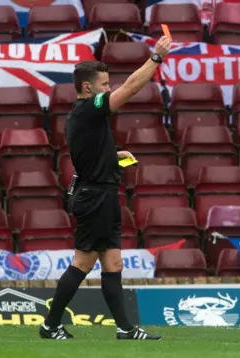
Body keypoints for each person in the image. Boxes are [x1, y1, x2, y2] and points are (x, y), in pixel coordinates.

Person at [39, 36, 172, 340]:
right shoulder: (88, 109)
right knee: (83, 262)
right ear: (88, 88)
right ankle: (50, 325)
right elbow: (129, 89)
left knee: (113, 263)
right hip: (94, 196)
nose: (109, 88)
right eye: (104, 84)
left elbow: (88, 154)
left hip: (103, 195)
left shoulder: (83, 116)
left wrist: (114, 156)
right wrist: (156, 58)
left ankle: (125, 329)